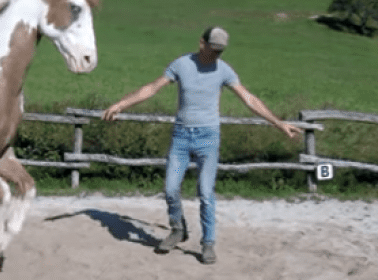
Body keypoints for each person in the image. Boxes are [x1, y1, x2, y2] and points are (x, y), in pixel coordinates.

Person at [101, 26, 302, 264]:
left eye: (220, 51)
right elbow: (152, 88)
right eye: (213, 49)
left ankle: (208, 244)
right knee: (171, 189)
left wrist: (278, 124)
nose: (216, 55)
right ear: (202, 43)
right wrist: (121, 104)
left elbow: (249, 99)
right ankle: (178, 229)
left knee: (206, 193)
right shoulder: (181, 65)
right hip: (181, 138)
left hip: (208, 138)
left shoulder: (224, 70)